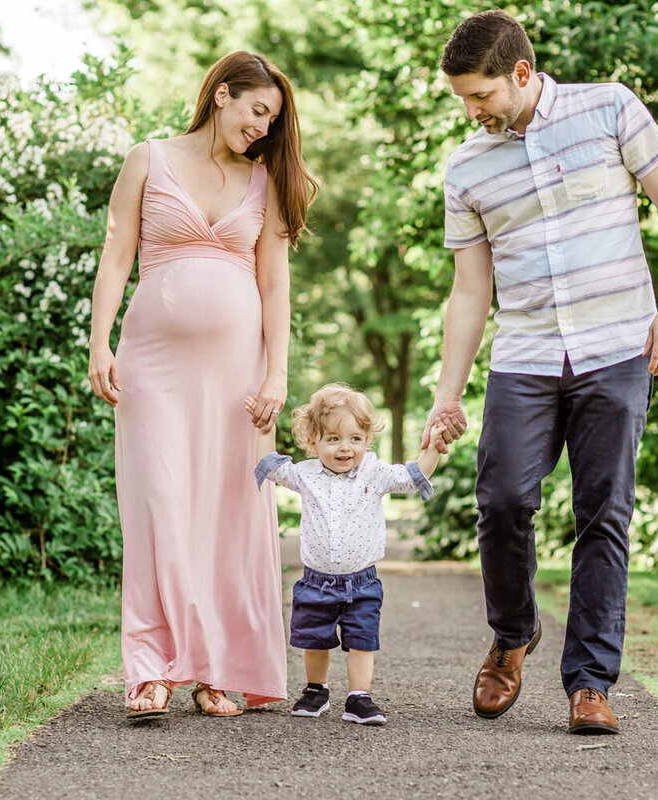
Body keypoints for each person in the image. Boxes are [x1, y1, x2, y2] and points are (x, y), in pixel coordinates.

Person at [423, 10, 658, 734]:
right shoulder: (465, 166)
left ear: (520, 74)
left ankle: (589, 683)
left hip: (616, 347)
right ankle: (514, 633)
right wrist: (446, 395)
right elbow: (470, 290)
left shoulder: (610, 107)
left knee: (604, 512)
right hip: (526, 355)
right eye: (461, 100)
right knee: (504, 500)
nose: (471, 111)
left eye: (479, 96)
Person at [87, 51, 317, 719]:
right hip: (153, 363)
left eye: (273, 119)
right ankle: (151, 670)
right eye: (256, 111)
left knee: (227, 514)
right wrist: (98, 341)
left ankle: (216, 668)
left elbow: (275, 284)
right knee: (159, 505)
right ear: (221, 94)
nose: (263, 127)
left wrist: (276, 374)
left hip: (238, 375)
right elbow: (115, 252)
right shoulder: (148, 158)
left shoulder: (263, 181)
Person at [249, 383, 446, 725]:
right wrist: (265, 430)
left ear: (367, 440)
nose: (345, 448)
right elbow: (273, 468)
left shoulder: (375, 471)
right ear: (313, 442)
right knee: (315, 639)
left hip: (363, 582)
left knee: (362, 641)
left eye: (355, 439)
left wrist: (435, 448)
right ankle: (316, 690)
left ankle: (359, 696)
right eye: (334, 439)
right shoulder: (307, 474)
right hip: (315, 582)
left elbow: (413, 477)